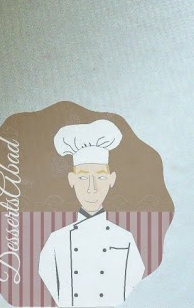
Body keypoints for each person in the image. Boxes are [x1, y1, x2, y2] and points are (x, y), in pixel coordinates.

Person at [39, 119, 147, 305]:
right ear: (71, 179)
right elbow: (48, 283)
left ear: (112, 180)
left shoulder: (125, 239)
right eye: (83, 177)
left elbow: (135, 287)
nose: (92, 188)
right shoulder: (56, 241)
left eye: (100, 177)